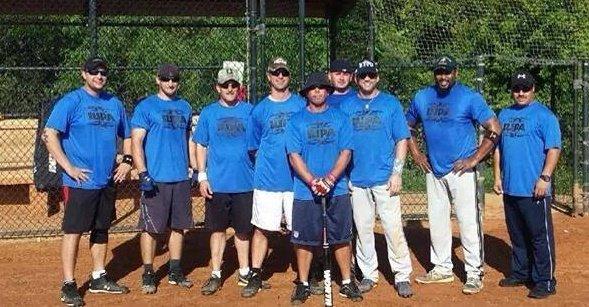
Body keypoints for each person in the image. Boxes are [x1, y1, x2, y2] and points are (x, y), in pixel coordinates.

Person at [406, 55, 501, 294]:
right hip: (434, 170)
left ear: (455, 72)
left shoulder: (469, 97)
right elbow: (407, 126)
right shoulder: (422, 97)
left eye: (447, 72)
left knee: (468, 221)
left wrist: (475, 158)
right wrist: (416, 154)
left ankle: (473, 272)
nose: (443, 77)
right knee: (437, 221)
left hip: (462, 171)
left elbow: (494, 128)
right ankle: (442, 268)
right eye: (439, 72)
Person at [44, 57, 132, 307]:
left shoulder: (114, 103)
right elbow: (50, 135)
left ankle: (98, 276)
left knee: (101, 228)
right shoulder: (71, 101)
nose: (99, 76)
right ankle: (69, 284)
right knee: (74, 230)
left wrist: (127, 161)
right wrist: (69, 167)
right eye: (94, 72)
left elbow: (126, 134)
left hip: (106, 180)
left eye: (103, 72)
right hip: (79, 182)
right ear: (84, 74)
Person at [286, 72, 363, 304]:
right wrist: (312, 181)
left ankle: (347, 282)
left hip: (336, 188)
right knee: (305, 239)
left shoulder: (340, 118)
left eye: (322, 88)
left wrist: (329, 179)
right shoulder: (296, 121)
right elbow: (294, 156)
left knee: (341, 237)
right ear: (306, 93)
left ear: (328, 92)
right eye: (313, 88)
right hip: (305, 190)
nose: (317, 91)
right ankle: (303, 283)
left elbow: (346, 151)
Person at [340, 59, 413, 297]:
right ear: (356, 79)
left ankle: (402, 275)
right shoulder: (347, 106)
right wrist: (344, 177)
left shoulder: (390, 103)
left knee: (393, 229)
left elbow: (401, 139)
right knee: (363, 230)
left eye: (371, 75)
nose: (367, 79)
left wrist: (397, 172)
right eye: (362, 76)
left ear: (377, 77)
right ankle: (369, 274)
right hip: (357, 180)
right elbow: (342, 145)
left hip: (385, 179)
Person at [241, 57, 306, 298]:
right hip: (267, 181)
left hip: (296, 181)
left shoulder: (301, 105)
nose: (280, 77)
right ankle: (256, 274)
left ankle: (304, 276)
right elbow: (253, 146)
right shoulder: (260, 109)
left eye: (284, 73)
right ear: (268, 76)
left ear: (289, 76)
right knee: (261, 228)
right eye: (276, 73)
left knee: (300, 231)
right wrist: (270, 163)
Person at [493, 71, 560, 299]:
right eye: (516, 88)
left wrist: (545, 177)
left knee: (539, 237)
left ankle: (545, 280)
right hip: (511, 187)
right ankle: (521, 272)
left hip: (535, 189)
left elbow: (554, 148)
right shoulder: (504, 115)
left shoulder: (544, 116)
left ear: (534, 89)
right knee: (518, 235)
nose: (520, 93)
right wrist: (497, 176)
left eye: (525, 88)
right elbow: (498, 148)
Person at [131, 63, 194, 294]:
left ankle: (175, 271)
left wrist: (194, 168)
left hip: (180, 177)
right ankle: (148, 272)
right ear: (157, 79)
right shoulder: (146, 106)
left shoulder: (185, 106)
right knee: (151, 228)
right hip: (156, 177)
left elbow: (189, 139)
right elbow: (136, 141)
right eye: (166, 79)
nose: (170, 83)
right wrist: (142, 172)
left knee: (178, 226)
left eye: (174, 79)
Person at [191, 67, 254, 295]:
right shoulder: (208, 113)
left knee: (243, 230)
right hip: (217, 183)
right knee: (217, 230)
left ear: (239, 88)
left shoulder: (249, 111)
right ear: (217, 88)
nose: (230, 89)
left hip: (245, 182)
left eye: (234, 85)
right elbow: (201, 145)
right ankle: (216, 273)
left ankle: (244, 271)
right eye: (225, 85)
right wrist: (202, 176)